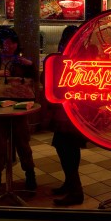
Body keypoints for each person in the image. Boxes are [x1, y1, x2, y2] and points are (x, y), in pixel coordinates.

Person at [0, 29, 38, 193]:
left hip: (18, 105)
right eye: (4, 42)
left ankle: (30, 175)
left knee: (22, 142)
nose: (7, 45)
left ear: (17, 44)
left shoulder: (21, 59)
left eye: (11, 42)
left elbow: (32, 79)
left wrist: (30, 65)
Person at [45, 25, 87, 205]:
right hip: (66, 111)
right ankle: (70, 183)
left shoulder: (80, 57)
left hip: (72, 113)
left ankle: (76, 191)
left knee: (67, 148)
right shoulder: (72, 56)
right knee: (65, 148)